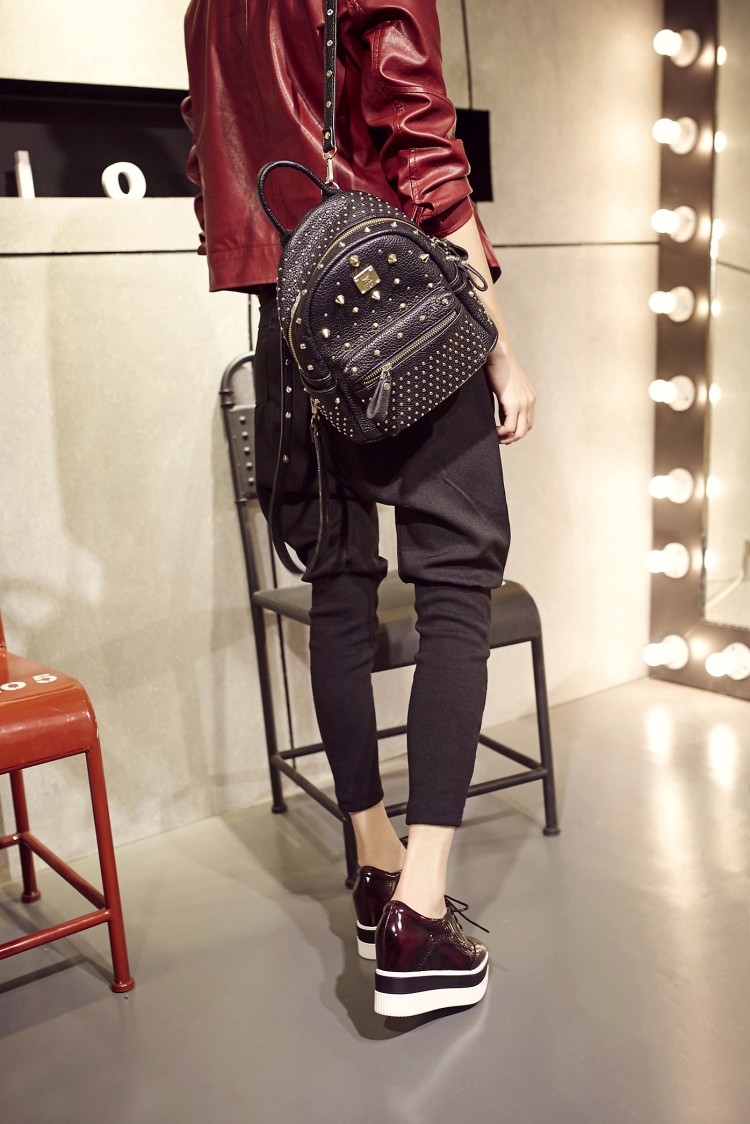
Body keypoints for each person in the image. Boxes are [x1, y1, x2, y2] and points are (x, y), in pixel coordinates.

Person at [183, 0, 536, 1018]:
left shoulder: (207, 8)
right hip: (394, 293)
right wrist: (498, 343)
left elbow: (213, 162)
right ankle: (419, 918)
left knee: (341, 581)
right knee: (457, 584)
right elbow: (423, 147)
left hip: (288, 313)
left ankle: (375, 862)